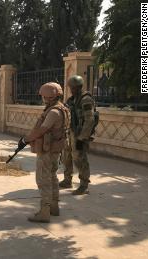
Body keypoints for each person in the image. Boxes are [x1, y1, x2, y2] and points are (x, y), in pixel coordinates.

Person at [21, 82, 70, 223]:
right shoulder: (63, 109)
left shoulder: (53, 112)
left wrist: (26, 139)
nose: (42, 98)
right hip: (56, 149)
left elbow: (42, 130)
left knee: (43, 179)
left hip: (47, 150)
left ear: (48, 96)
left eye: (43, 96)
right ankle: (54, 207)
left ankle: (44, 212)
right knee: (53, 177)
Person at [59, 75, 96, 195]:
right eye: (71, 87)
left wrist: (82, 137)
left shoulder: (86, 100)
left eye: (74, 87)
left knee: (79, 158)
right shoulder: (71, 100)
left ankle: (84, 185)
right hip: (70, 132)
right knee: (66, 156)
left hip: (80, 134)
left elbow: (89, 120)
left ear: (79, 87)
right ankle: (67, 179)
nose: (72, 89)